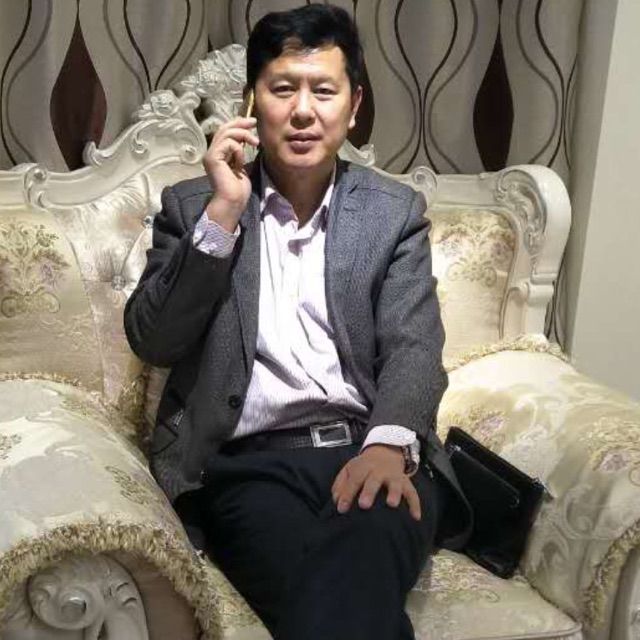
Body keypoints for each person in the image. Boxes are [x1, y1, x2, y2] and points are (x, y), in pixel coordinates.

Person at [125, 4, 471, 639]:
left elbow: (414, 346)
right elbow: (155, 339)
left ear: (354, 105)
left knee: (348, 572)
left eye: (324, 91)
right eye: (283, 89)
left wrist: (388, 444)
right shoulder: (195, 206)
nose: (303, 111)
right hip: (249, 470)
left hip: (372, 448)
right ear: (252, 102)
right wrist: (224, 215)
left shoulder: (393, 214)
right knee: (341, 602)